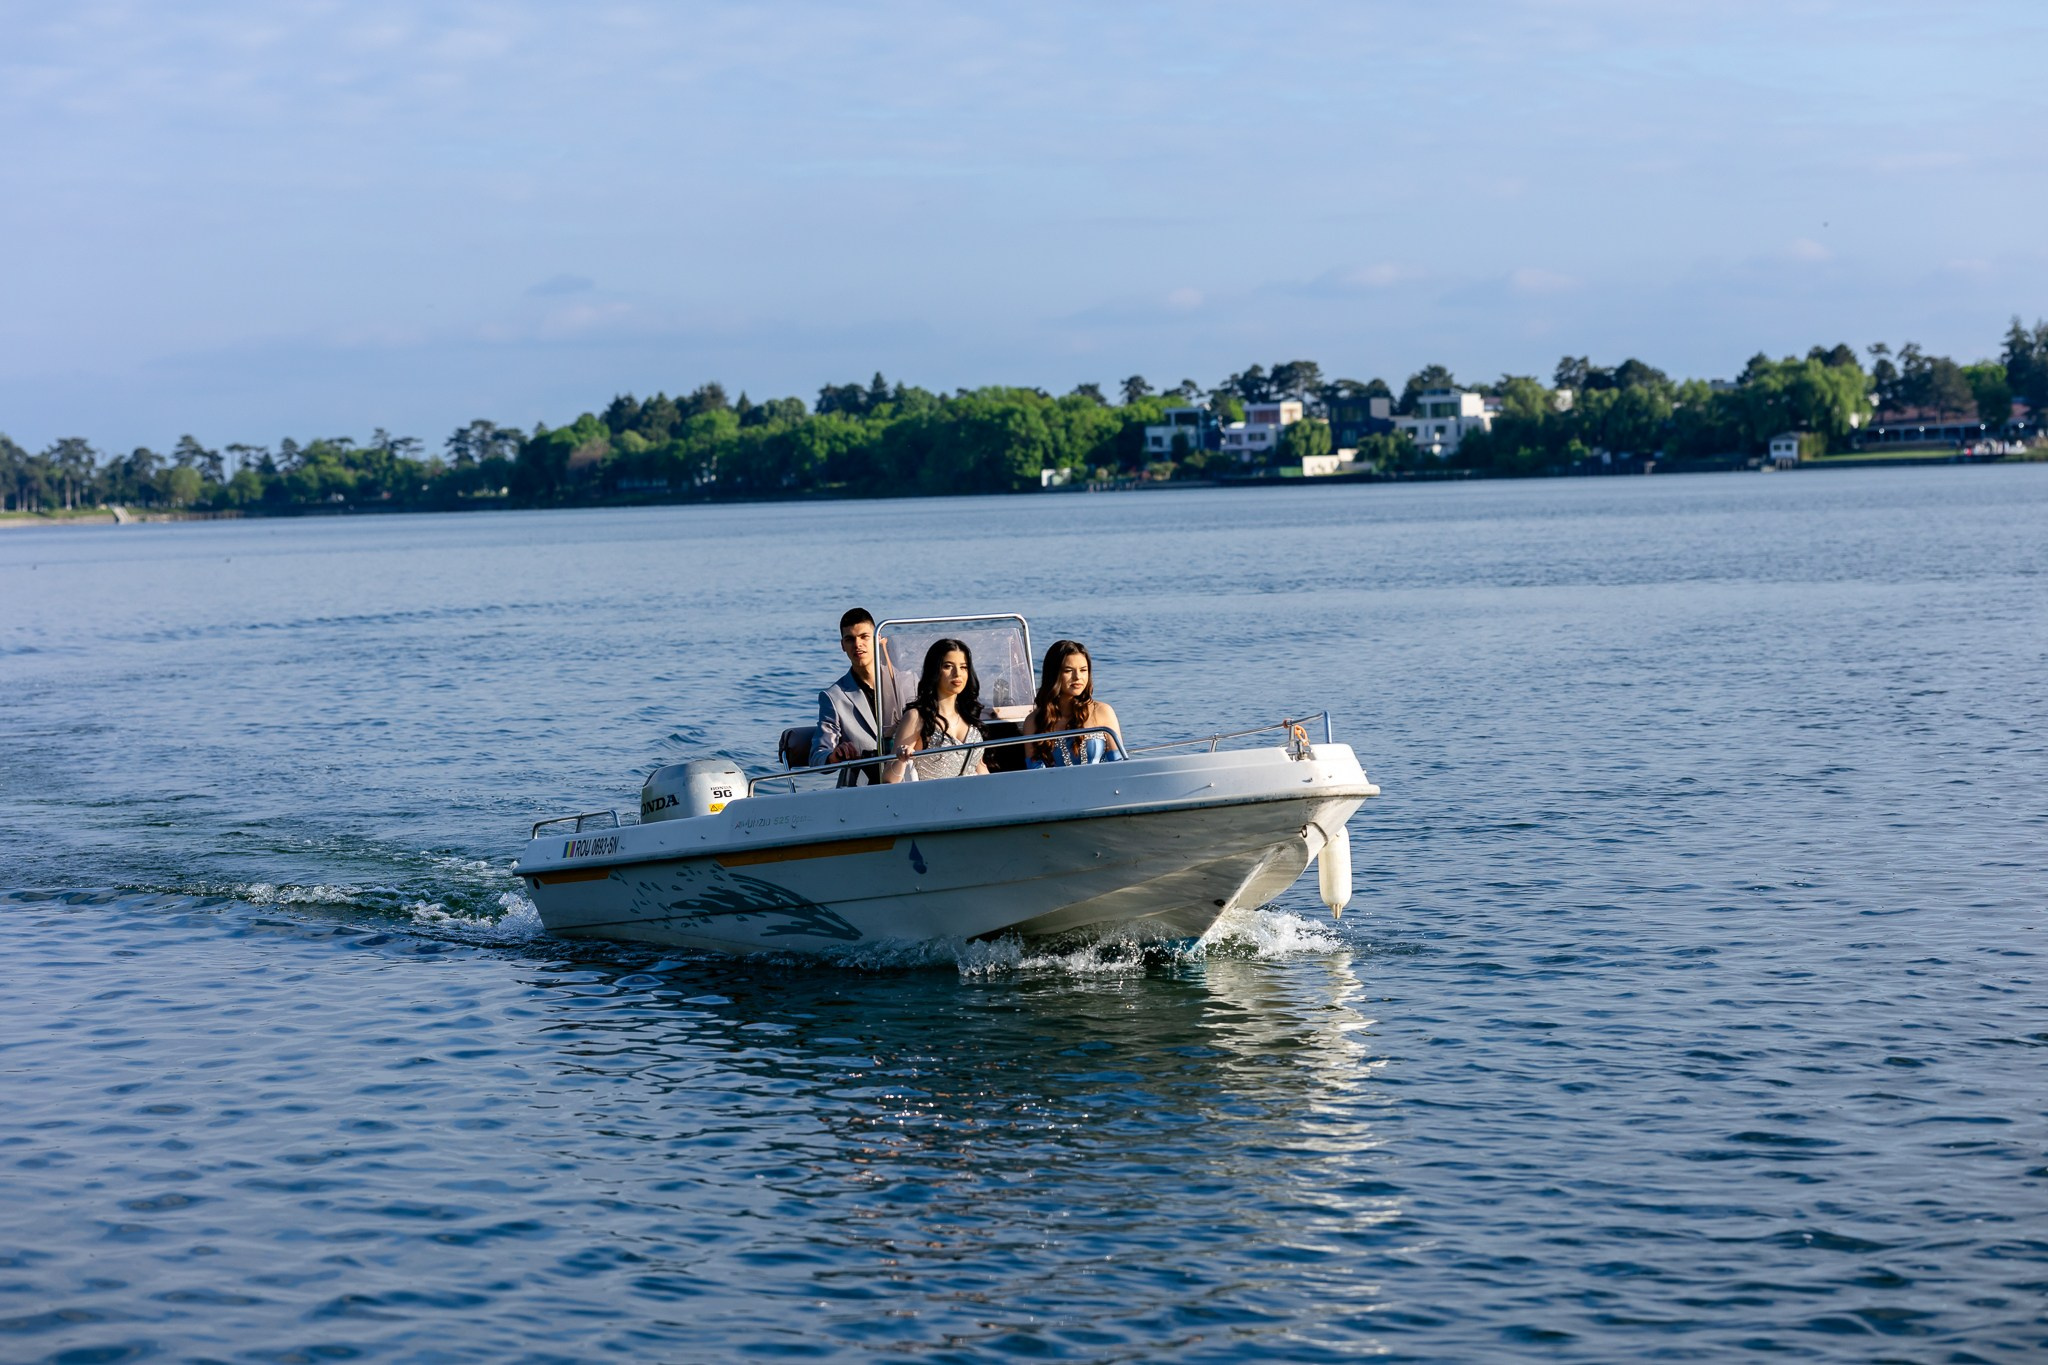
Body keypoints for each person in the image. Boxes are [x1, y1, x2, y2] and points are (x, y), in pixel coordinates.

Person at [884, 638, 989, 782]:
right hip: (933, 800)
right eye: (948, 666)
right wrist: (901, 760)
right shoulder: (916, 717)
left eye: (963, 667)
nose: (957, 673)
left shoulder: (969, 714)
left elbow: (981, 769)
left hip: (975, 797)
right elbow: (888, 780)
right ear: (935, 670)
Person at [1021, 639, 1123, 766]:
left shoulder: (1103, 711)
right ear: (1054, 674)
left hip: (1102, 784)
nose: (1078, 677)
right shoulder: (1033, 721)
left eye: (1083, 670)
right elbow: (1034, 771)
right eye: (1068, 670)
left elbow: (1119, 763)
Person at [811, 607, 882, 785]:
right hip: (861, 788)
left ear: (878, 639)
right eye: (850, 639)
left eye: (864, 637)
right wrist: (833, 756)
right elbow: (818, 756)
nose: (857, 644)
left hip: (909, 781)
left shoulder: (906, 681)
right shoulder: (833, 697)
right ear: (842, 645)